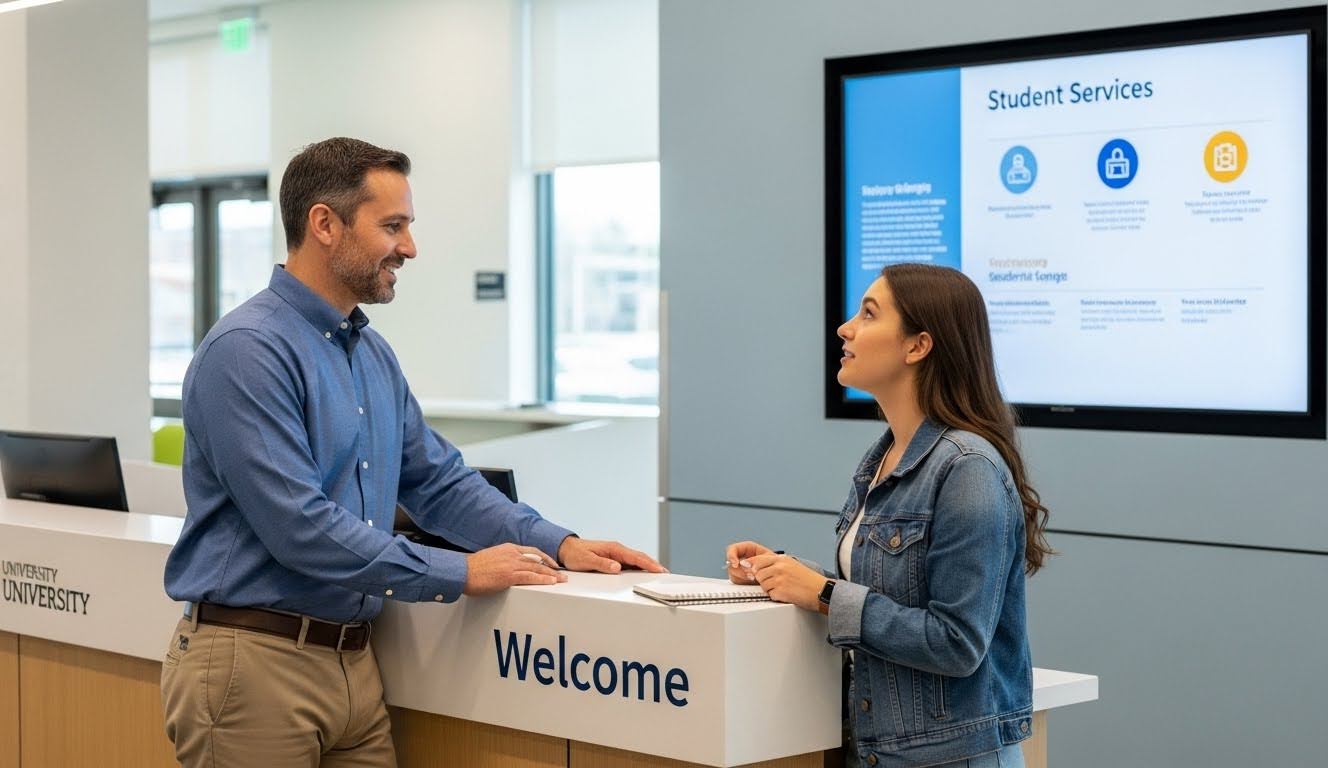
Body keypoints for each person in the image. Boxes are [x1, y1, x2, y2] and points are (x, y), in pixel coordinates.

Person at [160, 137, 664, 767]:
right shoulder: (247, 350)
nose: (410, 247)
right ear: (324, 223)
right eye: (392, 226)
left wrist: (561, 543)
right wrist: (460, 573)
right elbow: (300, 529)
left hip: (353, 662)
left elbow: (437, 482)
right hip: (254, 666)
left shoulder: (369, 352)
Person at [726, 263, 1052, 768]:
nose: (845, 327)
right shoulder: (882, 457)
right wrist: (789, 574)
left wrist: (825, 595)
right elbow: (890, 593)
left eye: (868, 314)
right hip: (884, 749)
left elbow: (957, 642)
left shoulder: (967, 467)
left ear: (917, 346)